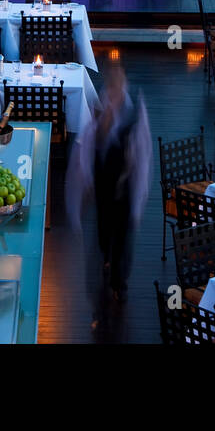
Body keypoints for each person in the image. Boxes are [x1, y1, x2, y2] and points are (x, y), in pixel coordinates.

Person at [67, 61, 151, 315]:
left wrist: (139, 194)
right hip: (103, 183)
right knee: (104, 229)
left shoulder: (134, 111)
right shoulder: (100, 108)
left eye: (117, 89)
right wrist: (85, 184)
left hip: (124, 185)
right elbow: (87, 143)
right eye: (111, 89)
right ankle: (106, 256)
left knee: (123, 235)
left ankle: (120, 283)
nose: (113, 94)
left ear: (123, 87)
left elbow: (143, 153)